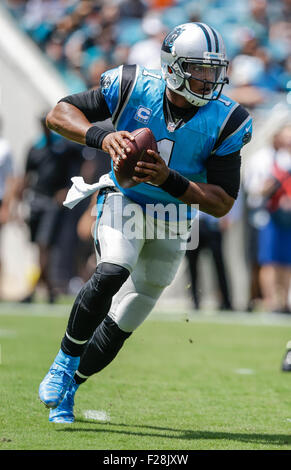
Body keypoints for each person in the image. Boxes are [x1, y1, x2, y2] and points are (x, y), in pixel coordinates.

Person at [38, 22, 252, 423]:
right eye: (199, 69)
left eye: (214, 70)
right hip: (126, 198)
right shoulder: (134, 84)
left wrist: (168, 179)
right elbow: (58, 113)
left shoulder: (227, 120)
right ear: (173, 67)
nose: (210, 80)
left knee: (130, 314)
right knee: (114, 267)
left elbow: (222, 203)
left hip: (174, 215)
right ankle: (63, 363)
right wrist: (101, 137)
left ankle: (71, 387)